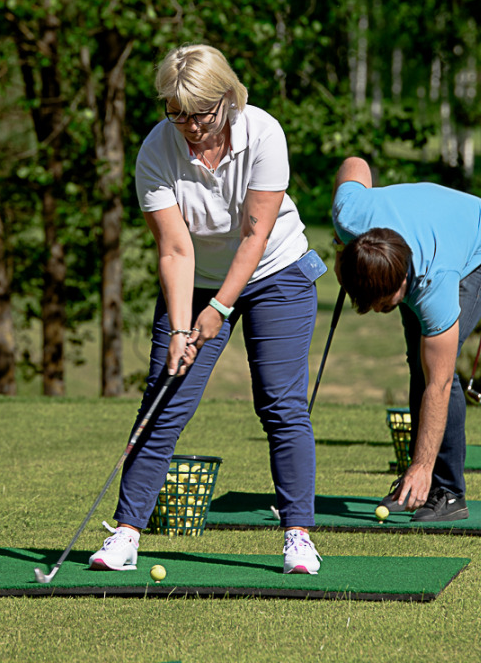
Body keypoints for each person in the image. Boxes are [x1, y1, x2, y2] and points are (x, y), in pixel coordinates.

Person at [89, 44, 326, 575]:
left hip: (276, 270)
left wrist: (220, 307)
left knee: (280, 404)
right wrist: (180, 327)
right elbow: (175, 249)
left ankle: (298, 536)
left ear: (227, 99)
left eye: (201, 113)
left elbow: (255, 233)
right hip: (195, 279)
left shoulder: (265, 133)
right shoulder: (156, 151)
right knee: (165, 395)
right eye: (176, 112)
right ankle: (126, 535)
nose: (190, 125)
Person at [332, 156, 481, 521]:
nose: (378, 311)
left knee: (439, 372)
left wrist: (423, 464)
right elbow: (354, 164)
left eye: (385, 303)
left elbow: (437, 384)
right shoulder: (348, 217)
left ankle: (447, 491)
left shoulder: (434, 285)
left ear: (405, 284)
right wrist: (341, 250)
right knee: (417, 364)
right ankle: (416, 486)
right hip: (423, 226)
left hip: (480, 242)